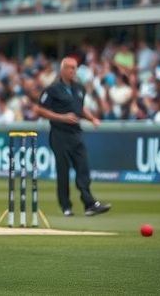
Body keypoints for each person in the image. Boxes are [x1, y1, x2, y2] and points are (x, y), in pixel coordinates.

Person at [32, 57, 111, 217]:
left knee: (83, 168)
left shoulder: (79, 88)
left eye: (75, 68)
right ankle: (66, 206)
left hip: (76, 133)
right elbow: (39, 110)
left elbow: (80, 109)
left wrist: (92, 119)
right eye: (70, 68)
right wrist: (62, 117)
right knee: (63, 171)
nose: (73, 71)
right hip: (59, 134)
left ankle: (89, 203)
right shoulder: (52, 89)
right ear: (62, 70)